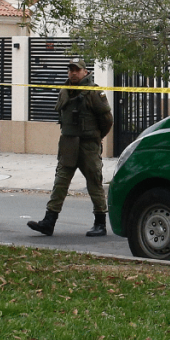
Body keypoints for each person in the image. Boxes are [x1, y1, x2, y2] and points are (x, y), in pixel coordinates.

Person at [27, 58, 114, 237]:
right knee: (60, 182)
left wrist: (96, 138)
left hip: (88, 145)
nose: (73, 73)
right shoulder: (65, 90)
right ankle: (49, 222)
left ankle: (100, 223)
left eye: (76, 70)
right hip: (68, 144)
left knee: (94, 183)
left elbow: (107, 120)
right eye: (70, 70)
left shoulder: (93, 92)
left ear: (85, 71)